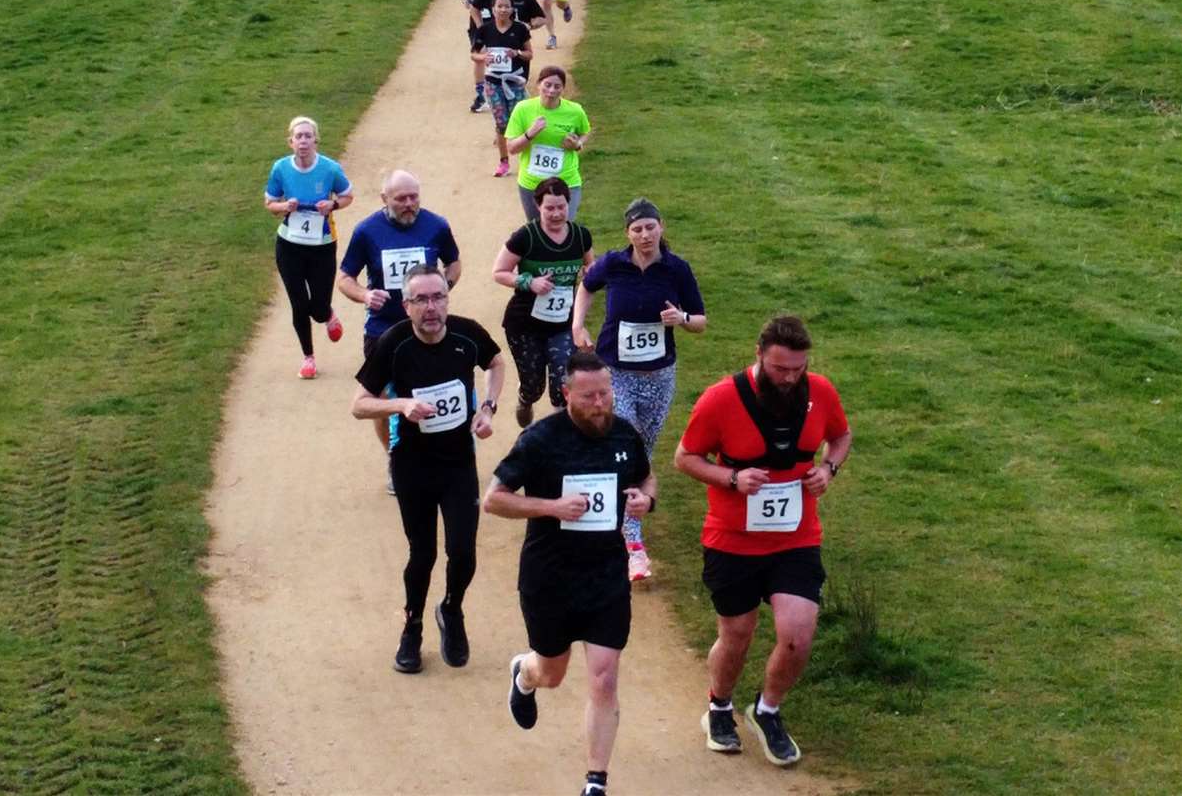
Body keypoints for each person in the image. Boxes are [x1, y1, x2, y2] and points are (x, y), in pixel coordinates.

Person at [673, 316, 852, 768]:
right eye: (780, 369)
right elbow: (685, 458)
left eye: (797, 369)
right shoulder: (720, 399)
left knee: (798, 636)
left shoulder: (821, 392)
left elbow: (841, 436)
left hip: (795, 537)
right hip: (731, 539)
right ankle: (719, 706)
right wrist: (731, 477)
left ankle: (767, 710)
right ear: (758, 355)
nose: (789, 378)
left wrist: (828, 470)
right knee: (737, 634)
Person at [484, 351, 657, 796]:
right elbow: (495, 499)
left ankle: (595, 780)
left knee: (604, 676)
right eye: (590, 395)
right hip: (550, 576)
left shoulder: (623, 434)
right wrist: (552, 508)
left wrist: (644, 499)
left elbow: (645, 476)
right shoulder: (541, 439)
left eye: (605, 392)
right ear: (567, 395)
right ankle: (524, 673)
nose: (601, 402)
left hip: (605, 574)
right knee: (553, 672)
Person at [351, 265, 506, 674]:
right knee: (422, 554)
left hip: (458, 463)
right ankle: (412, 628)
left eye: (438, 297)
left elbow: (496, 363)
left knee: (464, 553)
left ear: (447, 299)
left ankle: (451, 610)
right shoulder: (394, 343)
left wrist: (488, 408)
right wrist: (399, 405)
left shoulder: (466, 334)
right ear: (407, 306)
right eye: (421, 300)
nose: (431, 307)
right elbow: (359, 404)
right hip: (412, 466)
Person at [572, 198, 706, 580]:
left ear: (661, 227)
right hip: (616, 373)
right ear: (627, 233)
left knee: (641, 453)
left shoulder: (677, 270)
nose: (644, 235)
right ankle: (633, 544)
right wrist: (577, 325)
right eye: (637, 229)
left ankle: (608, 509)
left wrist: (680, 318)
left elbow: (701, 321)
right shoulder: (613, 263)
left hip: (660, 377)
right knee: (626, 444)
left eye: (650, 227)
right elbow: (587, 285)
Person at [337, 169, 462, 483]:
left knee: (430, 390)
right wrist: (365, 295)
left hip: (430, 328)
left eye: (414, 197)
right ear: (384, 199)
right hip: (383, 329)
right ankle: (395, 458)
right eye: (401, 199)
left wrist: (441, 289)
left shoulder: (437, 225)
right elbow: (344, 279)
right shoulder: (366, 231)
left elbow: (455, 263)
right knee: (381, 398)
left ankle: (436, 454)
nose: (409, 204)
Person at [491, 177, 594, 427]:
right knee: (533, 385)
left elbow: (591, 264)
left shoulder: (580, 236)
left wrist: (589, 272)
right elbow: (499, 272)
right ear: (538, 207)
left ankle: (560, 435)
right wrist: (529, 282)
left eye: (561, 207)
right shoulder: (526, 237)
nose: (556, 213)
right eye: (550, 208)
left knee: (562, 385)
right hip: (525, 324)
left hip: (562, 323)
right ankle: (525, 399)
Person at [264, 115, 354, 379]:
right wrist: (284, 207)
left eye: (307, 136)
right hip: (289, 245)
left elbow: (348, 195)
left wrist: (333, 205)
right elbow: (269, 203)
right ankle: (308, 357)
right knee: (298, 303)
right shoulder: (280, 168)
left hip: (322, 246)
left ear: (316, 140)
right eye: (298, 137)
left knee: (318, 308)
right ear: (290, 142)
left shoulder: (329, 169)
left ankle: (328, 314)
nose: (303, 141)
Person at [504, 65, 590, 222]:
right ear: (538, 85)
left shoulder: (575, 111)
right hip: (532, 184)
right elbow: (511, 148)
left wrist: (577, 145)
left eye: (557, 86)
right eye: (547, 85)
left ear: (563, 89)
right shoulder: (523, 109)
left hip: (567, 182)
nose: (551, 91)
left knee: (564, 229)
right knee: (538, 234)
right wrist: (530, 134)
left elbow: (585, 132)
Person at [471, 0, 533, 178]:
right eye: (500, 6)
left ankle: (526, 161)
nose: (503, 9)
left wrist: (518, 53)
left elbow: (530, 54)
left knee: (521, 123)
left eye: (507, 6)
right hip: (493, 84)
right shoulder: (485, 30)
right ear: (493, 9)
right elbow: (474, 54)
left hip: (515, 82)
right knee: (501, 124)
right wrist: (484, 57)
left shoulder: (520, 29)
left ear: (512, 9)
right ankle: (503, 161)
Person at [457, 0, 502, 113]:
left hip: (498, 19)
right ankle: (480, 93)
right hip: (477, 21)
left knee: (499, 53)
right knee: (479, 55)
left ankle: (500, 88)